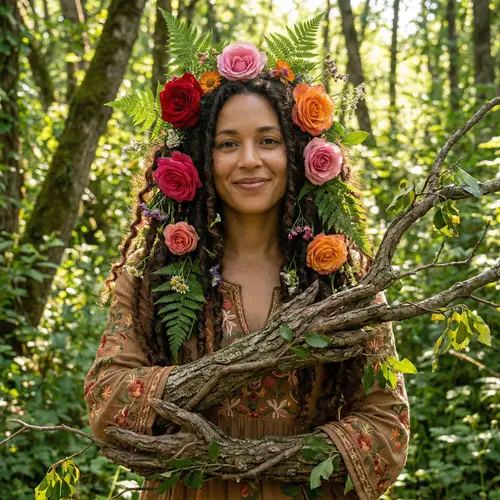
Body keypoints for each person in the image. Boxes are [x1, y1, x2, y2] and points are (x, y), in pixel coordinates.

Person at [84, 31, 409, 500]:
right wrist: (219, 379)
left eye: (268, 140)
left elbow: (387, 426)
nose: (250, 161)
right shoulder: (148, 283)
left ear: (297, 151)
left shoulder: (344, 281)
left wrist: (267, 459)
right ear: (200, 157)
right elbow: (107, 402)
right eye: (228, 144)